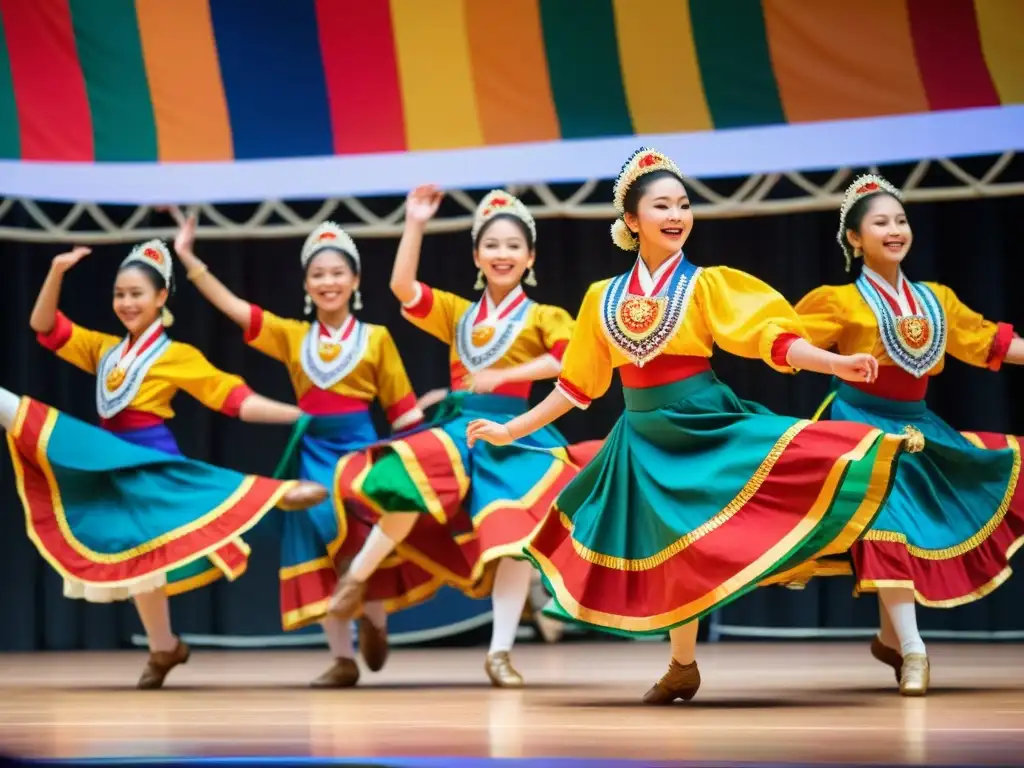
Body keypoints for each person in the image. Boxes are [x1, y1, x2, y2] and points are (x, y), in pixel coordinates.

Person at [466, 147, 924, 704]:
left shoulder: (707, 285)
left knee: (795, 469)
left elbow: (771, 338)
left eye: (683, 204)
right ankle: (682, 665)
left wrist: (834, 362)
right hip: (643, 439)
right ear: (632, 222)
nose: (677, 214)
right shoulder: (601, 298)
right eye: (662, 205)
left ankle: (801, 559)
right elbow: (576, 386)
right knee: (672, 549)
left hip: (703, 423)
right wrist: (511, 432)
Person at [18, 241, 326, 689]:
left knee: (182, 518)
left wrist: (292, 413)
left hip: (150, 458)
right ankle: (164, 647)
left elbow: (233, 399)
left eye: (137, 294)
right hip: (112, 462)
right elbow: (44, 327)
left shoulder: (175, 355)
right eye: (120, 294)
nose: (126, 303)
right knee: (139, 556)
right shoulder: (103, 350)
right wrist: (56, 272)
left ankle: (278, 494)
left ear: (161, 297)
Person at [326, 187, 602, 687]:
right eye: (492, 245)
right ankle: (355, 581)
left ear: (530, 257)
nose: (502, 254)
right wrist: (414, 222)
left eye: (513, 245)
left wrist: (500, 377)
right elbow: (403, 286)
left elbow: (568, 359)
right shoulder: (458, 312)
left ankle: (500, 652)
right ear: (477, 255)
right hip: (460, 429)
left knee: (513, 535)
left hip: (518, 433)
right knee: (402, 485)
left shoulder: (545, 315)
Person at [171, 211, 447, 687]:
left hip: (361, 451)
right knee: (319, 542)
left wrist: (429, 443)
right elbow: (236, 309)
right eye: (318, 274)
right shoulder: (291, 336)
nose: (328, 282)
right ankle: (341, 658)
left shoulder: (376, 339)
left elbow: (401, 412)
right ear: (306, 284)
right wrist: (188, 259)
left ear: (355, 279)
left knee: (364, 538)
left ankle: (375, 620)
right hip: (314, 453)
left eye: (337, 273)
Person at [793, 174, 1024, 696]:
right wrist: (834, 362)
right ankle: (916, 650)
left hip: (918, 425)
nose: (894, 230)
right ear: (855, 238)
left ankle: (889, 637)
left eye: (901, 220)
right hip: (858, 426)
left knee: (929, 517)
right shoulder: (837, 301)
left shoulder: (934, 299)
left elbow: (986, 341)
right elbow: (783, 339)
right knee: (886, 518)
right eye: (880, 222)